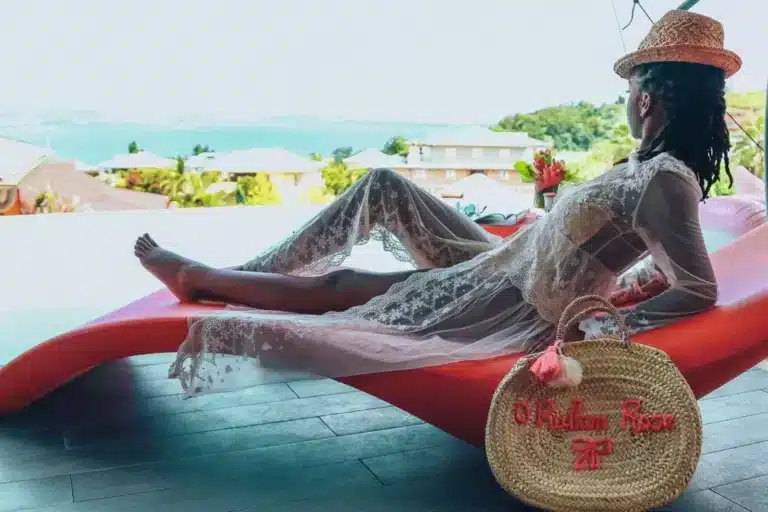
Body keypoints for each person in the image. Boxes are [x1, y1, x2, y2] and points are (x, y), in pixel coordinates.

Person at [134, 10, 740, 395]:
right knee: (384, 185)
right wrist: (622, 275)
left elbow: (697, 286)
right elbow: (632, 248)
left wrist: (602, 327)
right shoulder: (646, 167)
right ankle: (245, 273)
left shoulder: (667, 179)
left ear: (648, 98)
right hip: (508, 262)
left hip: (516, 298)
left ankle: (205, 279)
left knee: (345, 288)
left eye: (629, 91)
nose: (626, 101)